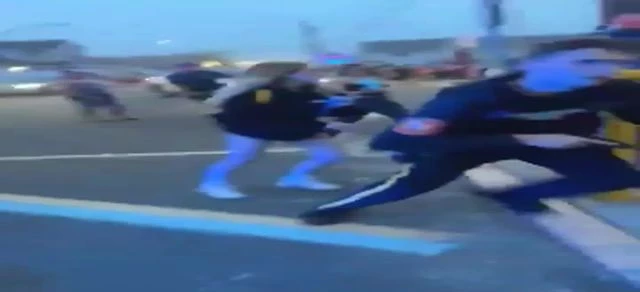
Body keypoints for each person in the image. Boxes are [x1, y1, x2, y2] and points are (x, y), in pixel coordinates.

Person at [298, 37, 640, 225]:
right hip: (464, 143)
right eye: (588, 61)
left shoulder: (615, 90)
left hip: (557, 141)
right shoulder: (469, 96)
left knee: (617, 175)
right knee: (408, 185)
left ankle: (513, 196)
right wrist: (524, 137)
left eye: (618, 66)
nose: (606, 71)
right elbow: (390, 139)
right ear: (530, 65)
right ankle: (334, 208)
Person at [197, 68, 387, 199]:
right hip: (247, 128)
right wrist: (316, 130)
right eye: (304, 73)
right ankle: (211, 184)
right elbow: (266, 116)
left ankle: (296, 178)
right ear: (287, 76)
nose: (312, 75)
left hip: (291, 128)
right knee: (242, 157)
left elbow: (326, 111)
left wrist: (361, 105)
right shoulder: (265, 93)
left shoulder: (311, 94)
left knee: (328, 155)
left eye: (312, 73)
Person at [61, 70, 137, 121]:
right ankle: (91, 115)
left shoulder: (84, 82)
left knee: (110, 100)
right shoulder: (72, 83)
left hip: (95, 93)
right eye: (74, 75)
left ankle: (120, 114)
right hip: (84, 95)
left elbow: (98, 86)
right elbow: (69, 90)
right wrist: (70, 95)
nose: (77, 76)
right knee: (88, 103)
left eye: (77, 75)